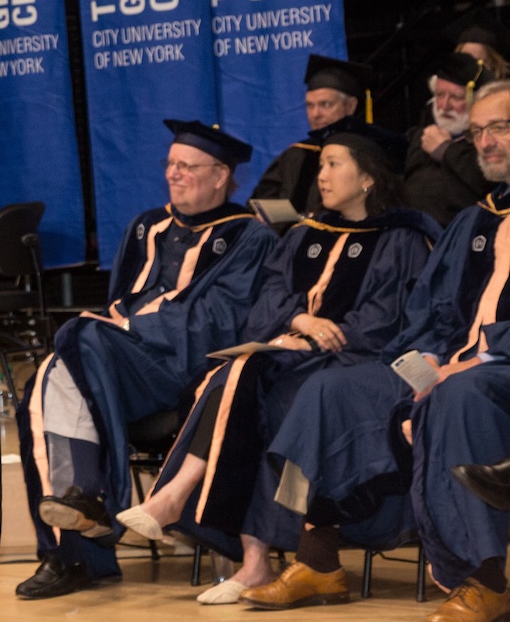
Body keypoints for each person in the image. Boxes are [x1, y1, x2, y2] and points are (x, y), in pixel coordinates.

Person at [116, 118, 437, 604]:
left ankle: (193, 509)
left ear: (368, 177)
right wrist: (300, 322)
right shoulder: (305, 234)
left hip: (353, 366)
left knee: (251, 389)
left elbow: (387, 317)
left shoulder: (402, 239)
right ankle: (237, 548)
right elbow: (268, 298)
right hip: (293, 357)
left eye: (333, 164)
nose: (321, 176)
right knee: (237, 376)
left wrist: (317, 341)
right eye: (321, 165)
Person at [245, 79, 510, 621]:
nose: (486, 142)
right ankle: (318, 559)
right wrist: (426, 358)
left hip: (495, 371)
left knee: (460, 393)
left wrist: (474, 359)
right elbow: (429, 311)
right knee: (329, 389)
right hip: (448, 366)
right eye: (478, 131)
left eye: (500, 128)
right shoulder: (473, 221)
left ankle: (486, 579)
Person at [14, 120, 278, 599]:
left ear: (220, 175)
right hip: (119, 364)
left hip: (183, 371)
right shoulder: (146, 225)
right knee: (47, 379)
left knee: (74, 340)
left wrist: (130, 328)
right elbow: (119, 297)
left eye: (187, 166)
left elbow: (221, 322)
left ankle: (82, 536)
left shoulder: (249, 237)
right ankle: (80, 527)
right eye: (170, 164)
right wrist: (114, 329)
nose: (173, 174)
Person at [251, 55, 375, 216]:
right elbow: (262, 202)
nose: (315, 114)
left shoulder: (371, 152)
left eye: (325, 104)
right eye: (310, 106)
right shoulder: (298, 153)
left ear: (350, 106)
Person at [406, 52, 491, 227]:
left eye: (456, 97)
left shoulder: (489, 139)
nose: (444, 106)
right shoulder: (422, 134)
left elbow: (485, 181)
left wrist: (445, 150)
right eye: (439, 95)